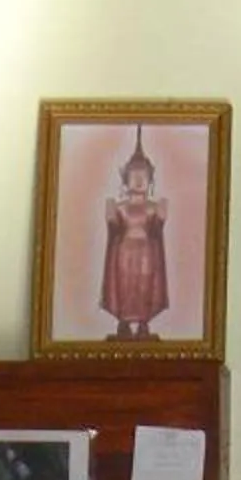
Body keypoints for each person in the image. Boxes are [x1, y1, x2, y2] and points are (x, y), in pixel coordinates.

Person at [98, 131, 169, 339]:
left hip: (147, 252)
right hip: (124, 252)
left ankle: (144, 323)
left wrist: (161, 217)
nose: (138, 181)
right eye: (134, 176)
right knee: (124, 286)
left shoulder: (153, 207)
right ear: (125, 180)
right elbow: (114, 231)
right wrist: (110, 217)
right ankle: (123, 323)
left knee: (144, 285)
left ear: (150, 180)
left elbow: (156, 232)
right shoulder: (120, 207)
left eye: (143, 176)